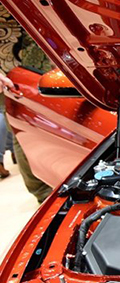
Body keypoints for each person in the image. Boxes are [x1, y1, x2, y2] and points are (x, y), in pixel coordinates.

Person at [0, 5, 53, 202]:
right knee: (24, 129)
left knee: (49, 123)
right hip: (9, 68)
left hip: (39, 55)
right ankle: (43, 192)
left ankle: (51, 186)